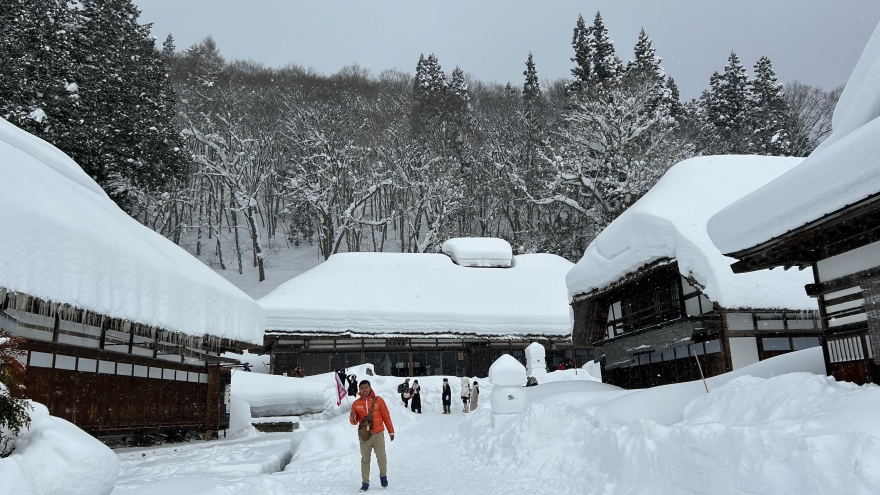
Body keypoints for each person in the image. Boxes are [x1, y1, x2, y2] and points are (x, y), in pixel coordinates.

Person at [349, 380, 395, 492]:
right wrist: (352, 417)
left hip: (378, 433)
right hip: (364, 436)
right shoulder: (356, 404)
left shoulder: (379, 400)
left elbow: (386, 416)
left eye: (366, 387)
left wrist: (391, 431)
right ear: (359, 390)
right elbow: (354, 422)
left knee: (381, 457)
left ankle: (383, 476)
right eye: (362, 388)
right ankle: (365, 483)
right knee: (365, 460)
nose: (364, 390)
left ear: (370, 388)